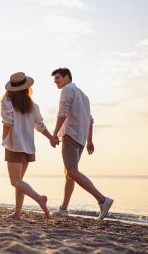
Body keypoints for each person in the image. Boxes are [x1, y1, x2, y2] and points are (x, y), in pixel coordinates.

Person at [50, 67, 113, 220]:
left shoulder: (67, 90)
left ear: (66, 77)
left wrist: (54, 134)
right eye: (54, 80)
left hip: (71, 136)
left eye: (58, 78)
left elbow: (62, 113)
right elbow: (90, 120)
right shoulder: (84, 96)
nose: (56, 82)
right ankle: (64, 208)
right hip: (80, 139)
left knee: (71, 171)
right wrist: (89, 140)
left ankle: (102, 200)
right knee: (69, 174)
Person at [1, 71, 56, 220]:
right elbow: (40, 126)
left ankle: (39, 198)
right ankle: (17, 213)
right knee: (20, 182)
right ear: (26, 88)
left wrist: (3, 139)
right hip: (28, 147)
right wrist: (51, 138)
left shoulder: (7, 102)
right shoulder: (32, 105)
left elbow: (7, 123)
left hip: (14, 145)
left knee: (16, 181)